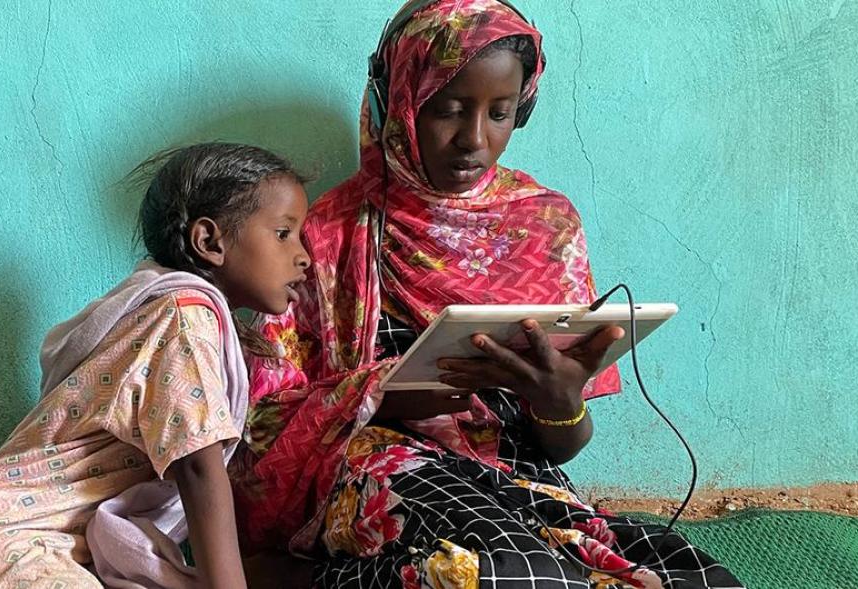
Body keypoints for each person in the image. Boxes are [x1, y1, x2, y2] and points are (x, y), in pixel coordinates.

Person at [234, 2, 744, 587]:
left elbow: (562, 446)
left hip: (511, 473)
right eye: (448, 110)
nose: (474, 139)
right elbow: (262, 426)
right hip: (374, 462)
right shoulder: (328, 233)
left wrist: (560, 400)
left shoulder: (545, 227)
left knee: (685, 575)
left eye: (500, 113)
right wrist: (380, 396)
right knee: (513, 573)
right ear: (398, 103)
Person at [0, 142, 312, 589]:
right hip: (1, 544)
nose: (304, 255)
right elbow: (198, 468)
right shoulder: (182, 320)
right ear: (209, 241)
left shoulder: (166, 313)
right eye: (283, 233)